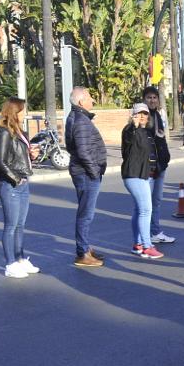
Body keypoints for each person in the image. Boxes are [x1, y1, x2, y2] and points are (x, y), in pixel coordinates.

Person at [0, 97, 40, 278]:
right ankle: (10, 264)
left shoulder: (20, 132)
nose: (25, 113)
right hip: (11, 184)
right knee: (11, 226)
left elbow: (18, 157)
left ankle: (20, 259)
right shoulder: (4, 133)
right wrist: (15, 179)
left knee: (20, 225)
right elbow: (0, 162)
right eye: (23, 110)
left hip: (23, 182)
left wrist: (31, 155)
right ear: (15, 112)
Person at [65, 86, 107, 267]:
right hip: (85, 174)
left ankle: (85, 247)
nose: (93, 100)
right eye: (89, 97)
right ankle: (82, 253)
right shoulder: (81, 120)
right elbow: (83, 151)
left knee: (85, 212)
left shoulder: (77, 117)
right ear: (81, 102)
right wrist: (94, 171)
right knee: (85, 214)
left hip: (84, 172)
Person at [121, 103, 164, 259]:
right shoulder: (129, 130)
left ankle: (138, 244)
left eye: (145, 114)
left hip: (146, 175)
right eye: (139, 113)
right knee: (146, 210)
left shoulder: (146, 132)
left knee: (139, 210)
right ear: (133, 115)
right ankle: (147, 246)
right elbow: (129, 140)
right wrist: (134, 125)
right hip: (134, 175)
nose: (142, 116)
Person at [142, 86, 175, 245]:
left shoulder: (158, 115)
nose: (152, 100)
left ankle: (154, 232)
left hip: (161, 166)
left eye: (154, 97)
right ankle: (144, 238)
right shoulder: (143, 117)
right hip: (149, 168)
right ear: (144, 100)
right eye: (149, 97)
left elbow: (161, 140)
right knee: (146, 205)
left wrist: (165, 159)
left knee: (156, 201)